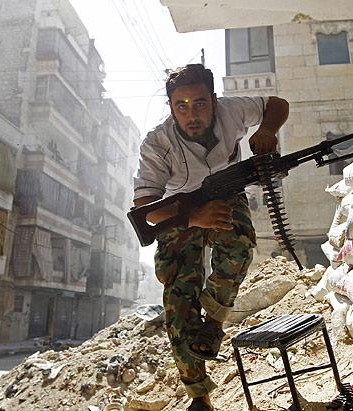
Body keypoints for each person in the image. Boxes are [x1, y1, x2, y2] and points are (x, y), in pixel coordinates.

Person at [133, 64, 289, 411]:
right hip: (177, 211)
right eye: (182, 105)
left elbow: (276, 104)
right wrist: (192, 218)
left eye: (200, 103)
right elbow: (146, 208)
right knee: (178, 304)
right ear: (171, 107)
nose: (192, 113)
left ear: (214, 101)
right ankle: (200, 397)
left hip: (224, 194)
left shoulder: (232, 110)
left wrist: (267, 130)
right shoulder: (158, 142)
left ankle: (214, 322)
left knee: (239, 246)